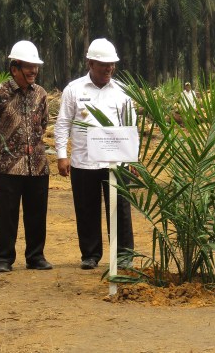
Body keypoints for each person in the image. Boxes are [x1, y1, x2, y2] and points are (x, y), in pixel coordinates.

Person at [54, 38, 135, 270]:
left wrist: (130, 159)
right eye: (103, 65)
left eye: (111, 64)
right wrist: (62, 154)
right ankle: (90, 254)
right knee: (86, 209)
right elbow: (63, 124)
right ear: (90, 63)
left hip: (115, 162)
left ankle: (123, 255)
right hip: (83, 161)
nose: (108, 68)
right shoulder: (74, 89)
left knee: (120, 209)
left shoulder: (122, 91)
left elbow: (130, 125)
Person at [0, 40, 52, 273]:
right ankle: (4, 259)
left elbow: (44, 122)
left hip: (37, 166)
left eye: (36, 67)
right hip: (7, 167)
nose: (33, 71)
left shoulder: (40, 94)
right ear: (15, 68)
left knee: (36, 213)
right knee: (7, 215)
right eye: (28, 66)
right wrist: (4, 150)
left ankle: (35, 256)